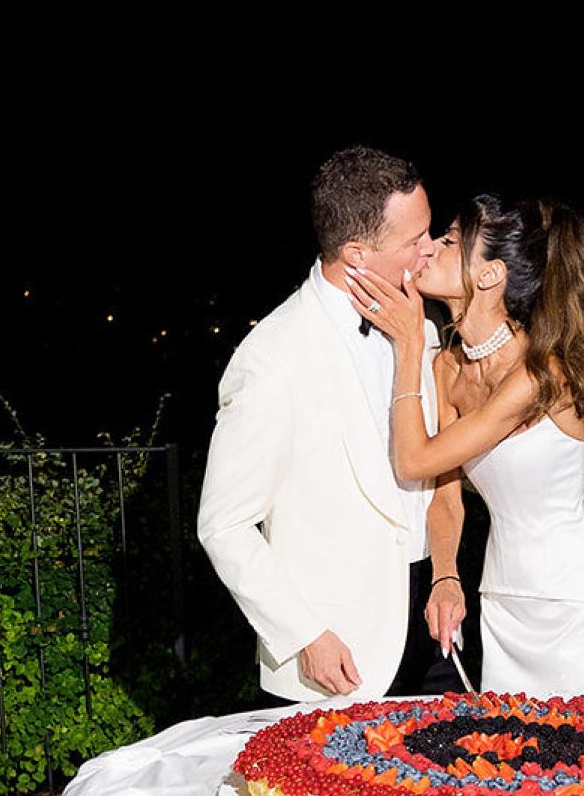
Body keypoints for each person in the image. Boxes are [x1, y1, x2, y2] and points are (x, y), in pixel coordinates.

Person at [197, 146, 466, 703]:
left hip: (435, 626)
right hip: (338, 655)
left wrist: (447, 570)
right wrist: (305, 635)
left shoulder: (422, 327)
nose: (431, 248)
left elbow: (436, 469)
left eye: (431, 231)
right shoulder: (272, 357)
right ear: (357, 254)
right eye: (414, 239)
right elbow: (223, 526)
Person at [347, 191, 584, 699]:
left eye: (451, 241)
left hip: (571, 603)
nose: (430, 248)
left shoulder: (539, 374)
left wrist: (409, 343)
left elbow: (413, 458)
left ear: (490, 275)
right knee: (508, 765)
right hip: (500, 602)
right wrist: (445, 577)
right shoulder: (447, 369)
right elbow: (443, 490)